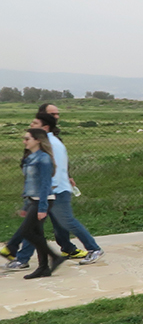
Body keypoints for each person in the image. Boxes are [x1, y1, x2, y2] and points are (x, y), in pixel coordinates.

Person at [3, 112, 105, 267]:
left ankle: (93, 249)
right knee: (33, 227)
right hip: (45, 193)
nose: (31, 126)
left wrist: (46, 195)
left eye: (35, 124)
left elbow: (53, 171)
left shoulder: (51, 144)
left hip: (55, 192)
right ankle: (22, 259)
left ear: (45, 127)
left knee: (67, 222)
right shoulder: (44, 143)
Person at [3, 129, 65, 279]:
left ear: (37, 140)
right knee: (37, 233)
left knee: (26, 232)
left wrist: (43, 207)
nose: (24, 141)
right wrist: (26, 205)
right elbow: (29, 184)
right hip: (33, 200)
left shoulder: (43, 159)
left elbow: (45, 184)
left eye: (27, 139)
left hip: (42, 201)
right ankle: (44, 268)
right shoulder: (31, 158)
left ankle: (55, 257)